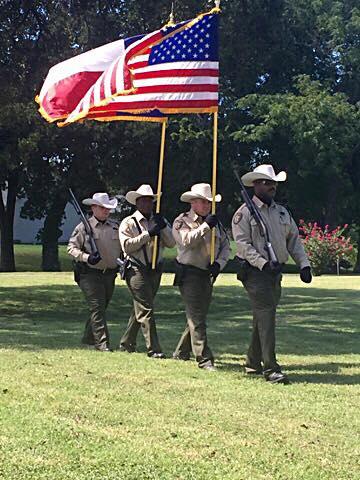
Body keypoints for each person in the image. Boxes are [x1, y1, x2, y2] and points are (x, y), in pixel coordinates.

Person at [232, 164, 312, 384]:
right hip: (256, 273)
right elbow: (243, 246)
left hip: (276, 273)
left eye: (274, 182)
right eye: (267, 182)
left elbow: (293, 240)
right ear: (256, 185)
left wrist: (304, 265)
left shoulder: (282, 212)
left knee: (263, 317)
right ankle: (271, 368)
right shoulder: (244, 213)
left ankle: (252, 362)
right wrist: (263, 264)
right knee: (267, 316)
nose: (272, 186)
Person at [172, 183, 230, 371]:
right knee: (197, 317)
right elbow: (185, 241)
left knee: (198, 315)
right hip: (189, 273)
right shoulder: (182, 221)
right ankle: (204, 359)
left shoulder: (216, 223)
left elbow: (225, 248)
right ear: (193, 202)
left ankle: (181, 352)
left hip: (207, 274)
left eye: (209, 202)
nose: (207, 206)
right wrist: (205, 226)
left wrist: (219, 264)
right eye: (203, 202)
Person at [118, 184, 175, 358]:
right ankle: (154, 349)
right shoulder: (128, 223)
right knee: (146, 308)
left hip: (155, 270)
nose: (147, 204)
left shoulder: (159, 221)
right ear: (137, 203)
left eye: (150, 201)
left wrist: (162, 226)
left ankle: (126, 343)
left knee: (140, 308)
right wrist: (148, 234)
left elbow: (172, 243)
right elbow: (127, 246)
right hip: (136, 268)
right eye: (143, 200)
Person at [67, 192, 121, 352]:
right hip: (89, 274)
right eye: (103, 208)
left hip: (109, 273)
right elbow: (71, 249)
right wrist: (86, 257)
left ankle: (88, 337)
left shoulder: (115, 226)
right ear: (93, 207)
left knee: (101, 307)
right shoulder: (83, 227)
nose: (106, 211)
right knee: (97, 307)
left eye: (108, 208)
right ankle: (102, 344)